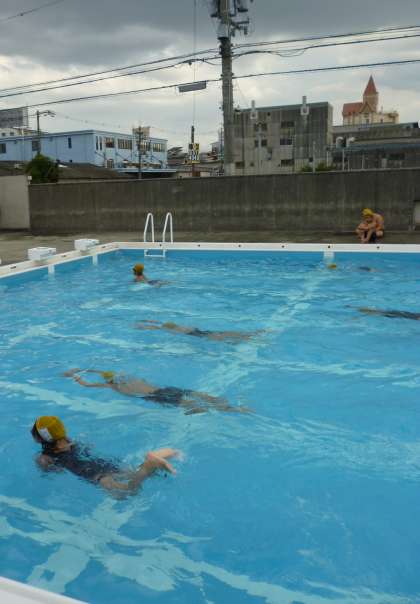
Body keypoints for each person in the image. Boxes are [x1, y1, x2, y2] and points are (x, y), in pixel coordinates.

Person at [31, 415, 180, 496]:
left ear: (41, 438)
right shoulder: (72, 442)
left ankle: (150, 463)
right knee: (135, 473)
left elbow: (54, 471)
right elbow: (89, 449)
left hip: (97, 476)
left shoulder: (44, 457)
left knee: (128, 492)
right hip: (107, 464)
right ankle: (166, 453)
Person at [66, 369, 250, 414]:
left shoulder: (113, 386)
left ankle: (235, 410)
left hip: (155, 397)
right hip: (163, 389)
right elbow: (104, 372)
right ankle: (224, 402)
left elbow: (86, 385)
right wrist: (91, 369)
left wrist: (75, 376)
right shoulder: (128, 376)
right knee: (197, 395)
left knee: (192, 405)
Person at [136, 320, 264, 342]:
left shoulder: (161, 327)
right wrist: (144, 322)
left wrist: (141, 327)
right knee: (218, 333)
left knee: (217, 337)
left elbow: (153, 327)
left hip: (191, 333)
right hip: (193, 330)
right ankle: (250, 334)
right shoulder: (165, 323)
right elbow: (154, 323)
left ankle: (246, 338)